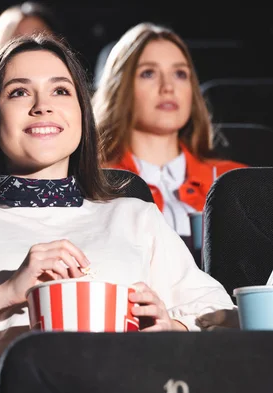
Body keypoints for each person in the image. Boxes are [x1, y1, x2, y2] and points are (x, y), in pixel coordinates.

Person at [0, 35, 235, 393]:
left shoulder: (135, 216)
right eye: (19, 92)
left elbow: (221, 318)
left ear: (83, 116)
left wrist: (172, 328)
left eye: (61, 90)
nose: (43, 106)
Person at [93, 23, 246, 238]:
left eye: (180, 74)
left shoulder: (235, 183)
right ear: (119, 88)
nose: (168, 87)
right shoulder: (91, 183)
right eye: (148, 73)